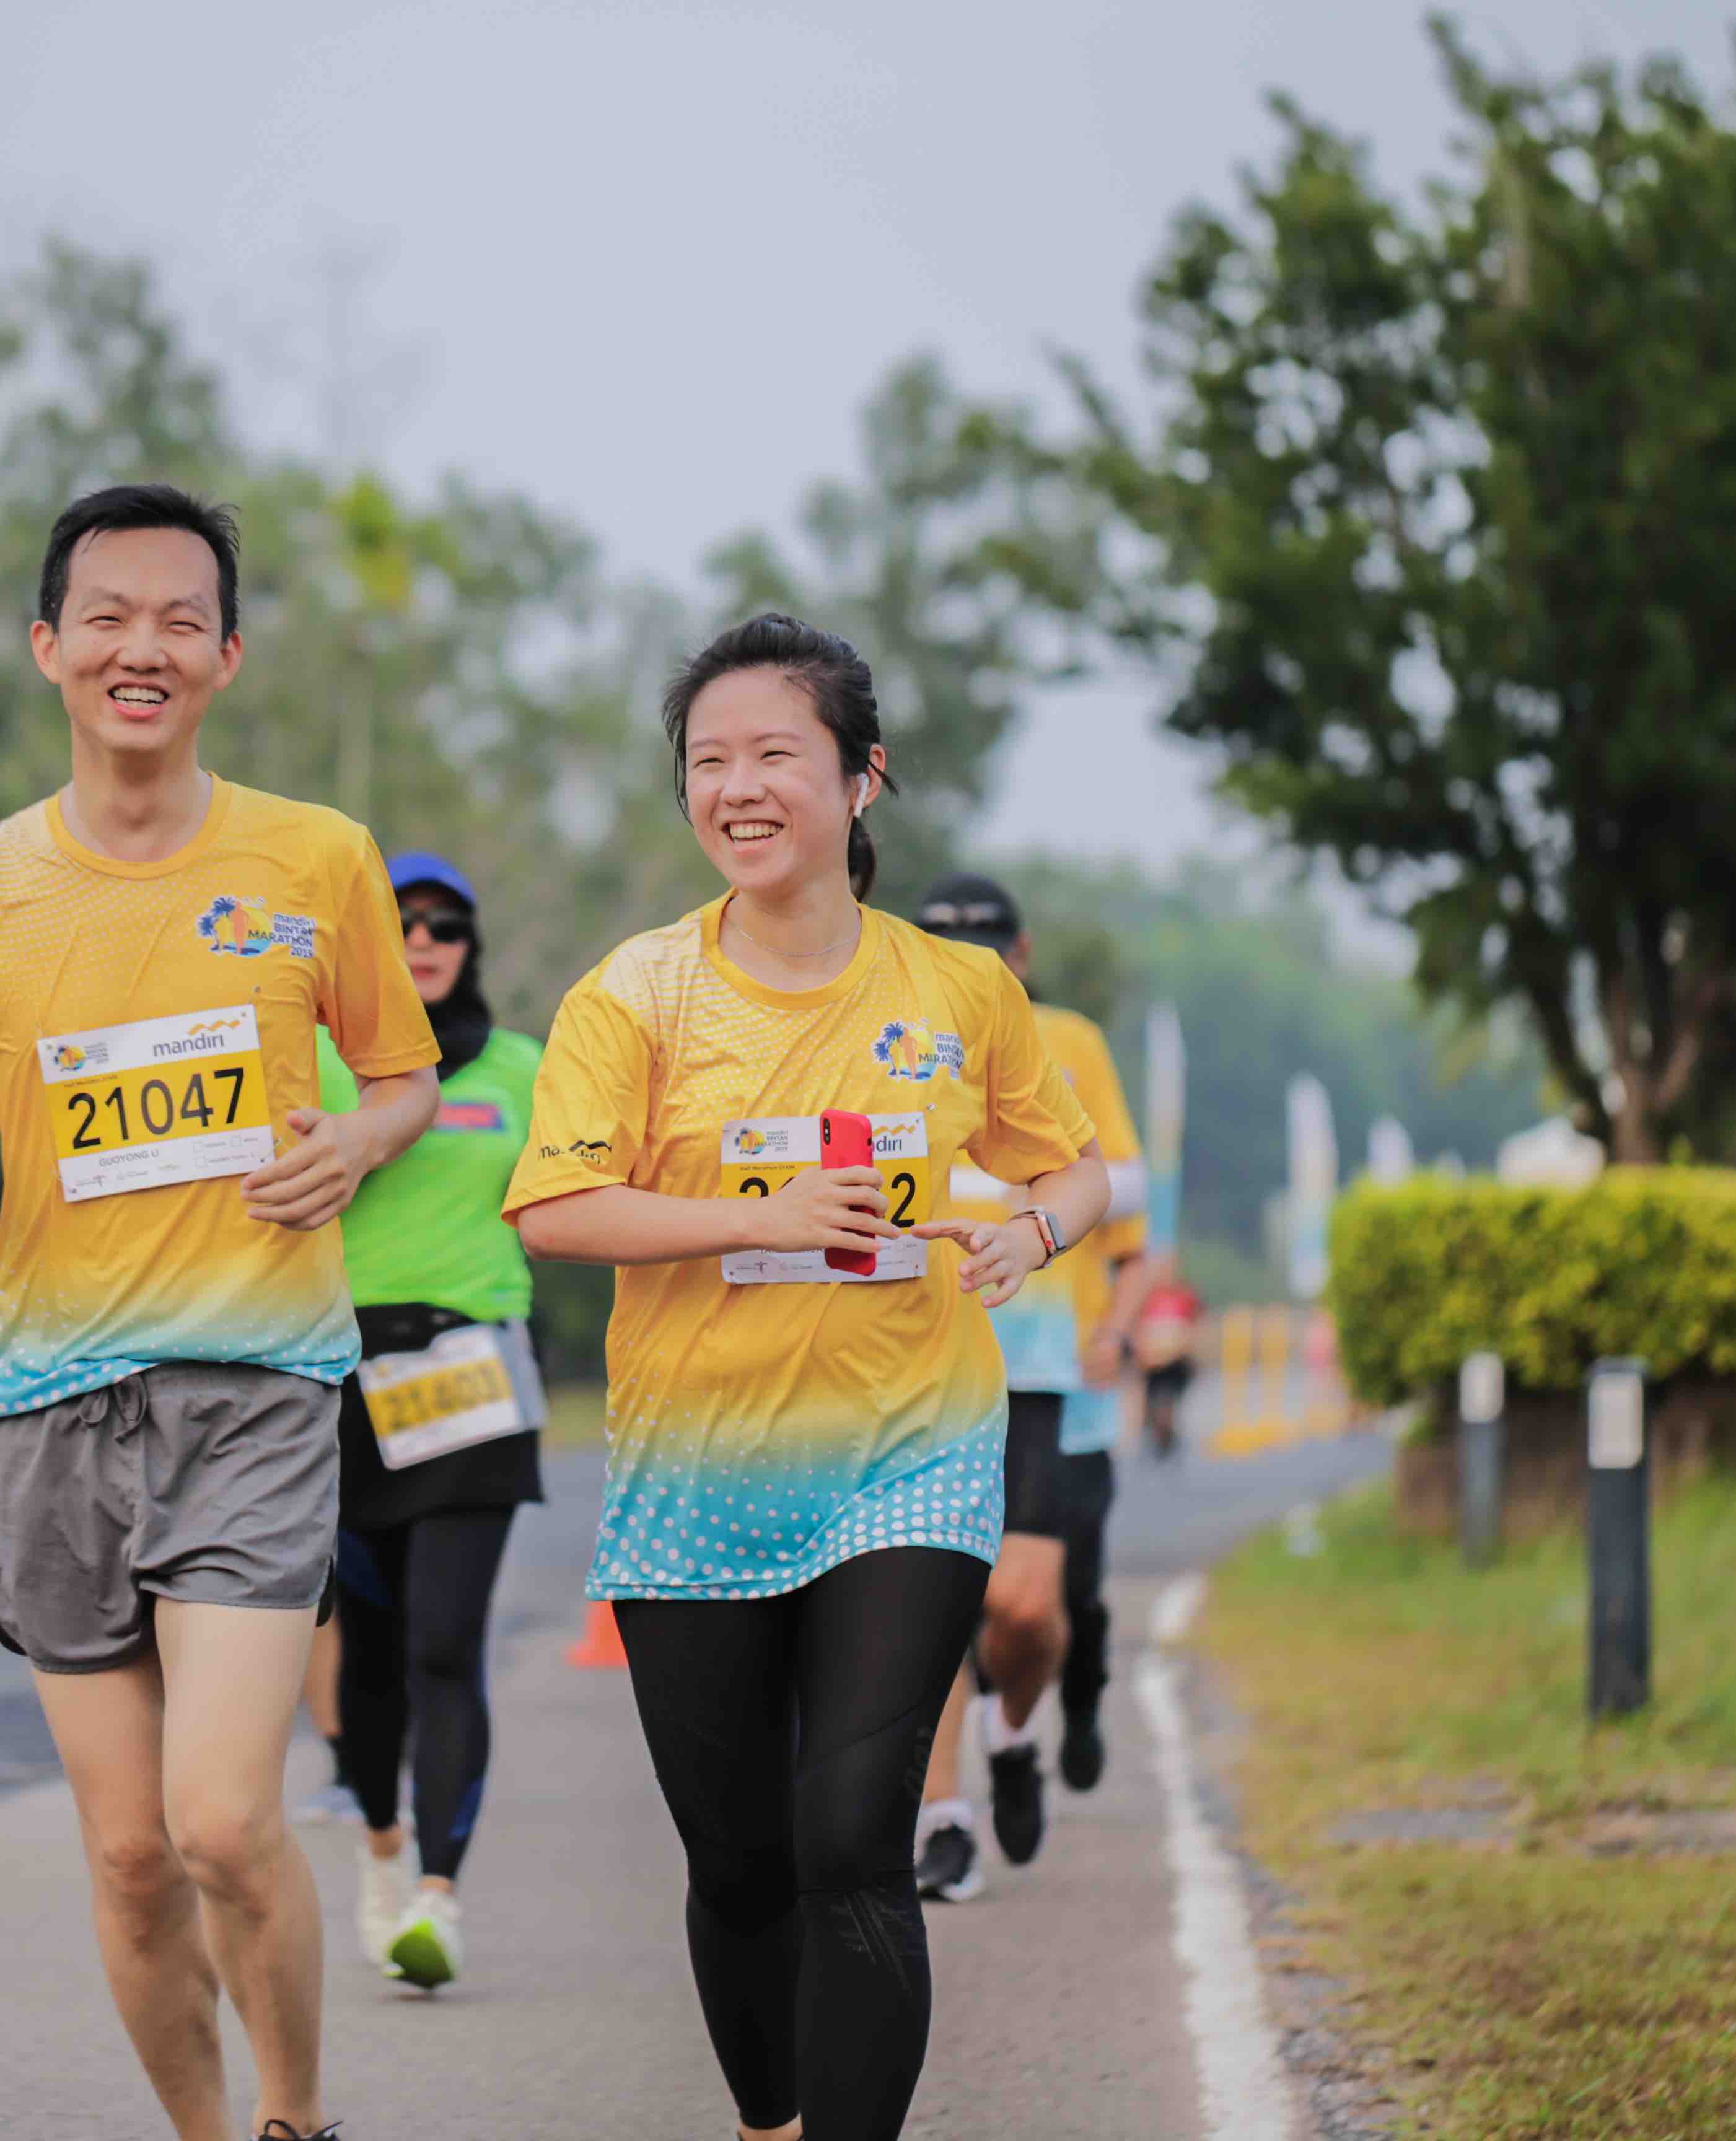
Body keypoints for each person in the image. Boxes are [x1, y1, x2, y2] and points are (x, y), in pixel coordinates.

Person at [0, 484, 438, 2141]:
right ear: (49, 647)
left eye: (182, 620)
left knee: (223, 1824)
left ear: (229, 657)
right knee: (124, 1860)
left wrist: (358, 1137)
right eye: (108, 615)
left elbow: (404, 1073)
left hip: (256, 1386)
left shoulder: (313, 855)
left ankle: (297, 2120)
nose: (144, 647)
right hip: (46, 1406)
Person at [504, 614, 1111, 2141]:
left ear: (861, 778)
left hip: (908, 1454)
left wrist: (1032, 1228)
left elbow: (1074, 1167)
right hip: (692, 1469)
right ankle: (767, 2119)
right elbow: (556, 1205)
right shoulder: (632, 996)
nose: (739, 787)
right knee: (742, 1859)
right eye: (709, 760)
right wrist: (752, 1218)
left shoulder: (959, 992)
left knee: (852, 1835)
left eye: (775, 752)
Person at [316, 849, 546, 1992]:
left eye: (445, 927)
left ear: (470, 946)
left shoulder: (523, 1070)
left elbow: (572, 1201)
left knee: (444, 1643)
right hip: (337, 1380)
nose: (423, 943)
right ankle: (379, 1846)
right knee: (367, 1656)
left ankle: (440, 1899)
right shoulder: (315, 1055)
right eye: (401, 924)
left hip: (469, 1376)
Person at [908, 875, 1151, 1902]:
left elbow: (1123, 1195)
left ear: (1020, 955)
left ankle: (1016, 1731)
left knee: (1024, 1606)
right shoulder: (886, 1039)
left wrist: (1120, 1323)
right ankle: (941, 1819)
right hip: (914, 1364)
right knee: (924, 1610)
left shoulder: (1066, 1042)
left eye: (988, 954)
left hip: (1046, 1367)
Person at [1133, 1266, 1204, 1461]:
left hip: (1176, 1362)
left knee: (1168, 1405)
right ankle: (1159, 1438)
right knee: (1153, 1405)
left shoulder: (1185, 1297)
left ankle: (1168, 1439)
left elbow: (1196, 1325)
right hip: (1153, 1364)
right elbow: (1137, 1328)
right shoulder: (1147, 1299)